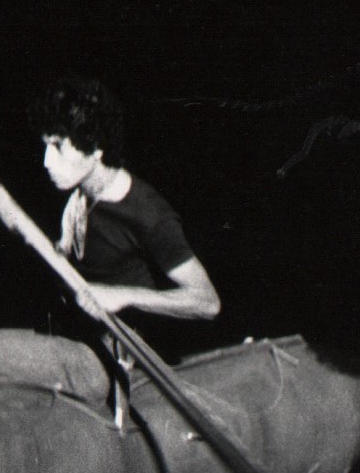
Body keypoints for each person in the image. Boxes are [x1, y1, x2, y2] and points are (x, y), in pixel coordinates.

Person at [31, 74, 223, 327]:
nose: (46, 161)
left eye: (58, 146)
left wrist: (122, 296)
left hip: (127, 347)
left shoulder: (147, 213)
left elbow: (207, 302)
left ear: (96, 147)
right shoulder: (79, 191)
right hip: (78, 335)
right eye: (46, 146)